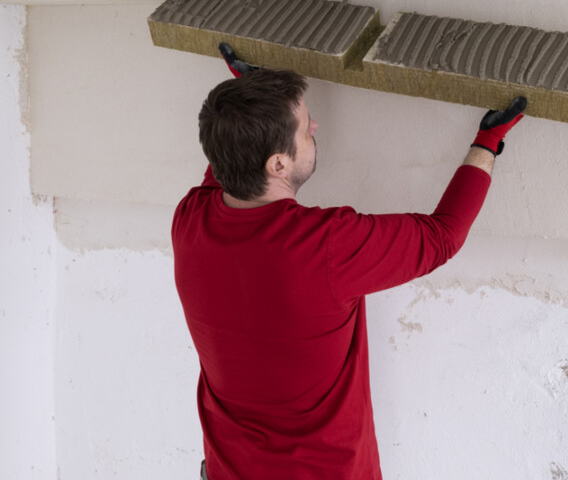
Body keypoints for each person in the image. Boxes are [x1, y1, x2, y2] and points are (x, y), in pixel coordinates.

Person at [173, 66, 526, 480]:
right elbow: (442, 235)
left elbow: (225, 162)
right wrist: (489, 139)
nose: (316, 127)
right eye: (305, 129)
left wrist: (250, 96)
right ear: (278, 164)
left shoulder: (190, 220)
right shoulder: (326, 245)